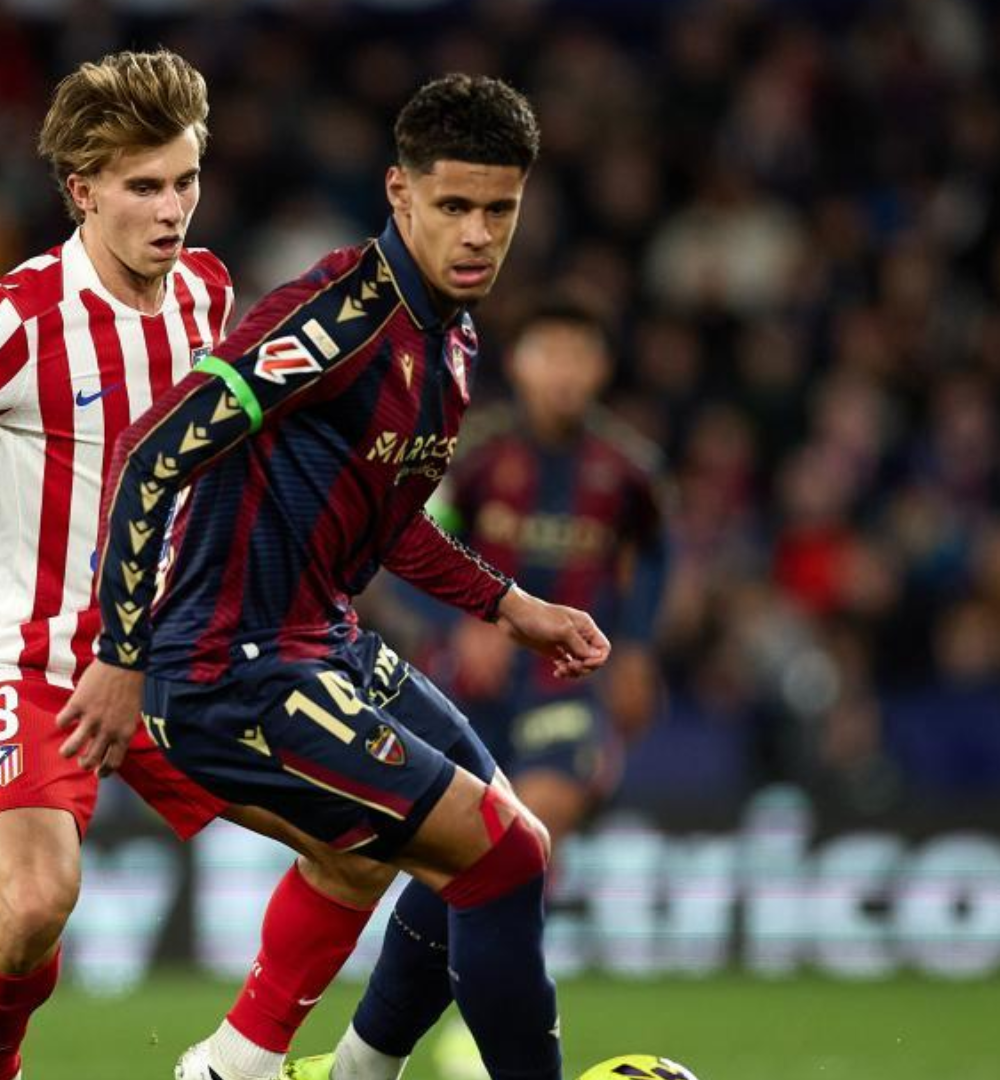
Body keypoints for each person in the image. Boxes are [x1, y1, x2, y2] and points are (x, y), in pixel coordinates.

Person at [0, 50, 405, 1080]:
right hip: (32, 658)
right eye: (144, 186)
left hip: (176, 654)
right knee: (39, 901)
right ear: (83, 191)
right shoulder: (15, 319)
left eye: (185, 180)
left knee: (362, 841)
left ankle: (241, 1064)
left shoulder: (207, 292)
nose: (172, 209)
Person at [59, 74, 609, 1080]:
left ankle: (307, 1070)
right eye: (454, 206)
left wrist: (512, 605)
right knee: (501, 857)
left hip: (327, 642)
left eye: (501, 208)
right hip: (233, 668)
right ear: (399, 195)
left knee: (496, 838)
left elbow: (391, 524)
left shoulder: (451, 338)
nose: (479, 233)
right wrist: (118, 657)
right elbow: (153, 456)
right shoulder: (334, 318)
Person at [412, 298, 673, 1079]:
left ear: (600, 369)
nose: (563, 373)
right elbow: (409, 535)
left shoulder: (627, 468)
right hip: (476, 679)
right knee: (468, 847)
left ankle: (480, 1018)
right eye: (547, 354)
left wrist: (639, 650)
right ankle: (479, 999)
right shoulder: (473, 452)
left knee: (536, 817)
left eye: (579, 356)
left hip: (568, 679)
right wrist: (456, 622)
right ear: (518, 362)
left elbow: (654, 558)